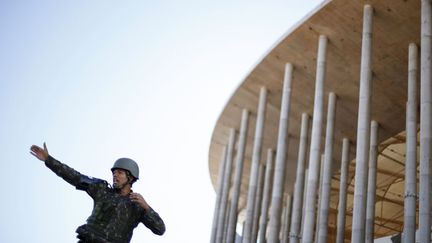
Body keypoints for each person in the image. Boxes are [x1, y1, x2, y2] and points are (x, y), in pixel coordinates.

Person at [30, 142, 165, 243]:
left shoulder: (137, 205)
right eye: (113, 172)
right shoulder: (101, 189)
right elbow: (75, 177)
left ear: (131, 178)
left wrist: (147, 208)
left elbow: (160, 229)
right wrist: (49, 160)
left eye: (120, 172)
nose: (115, 175)